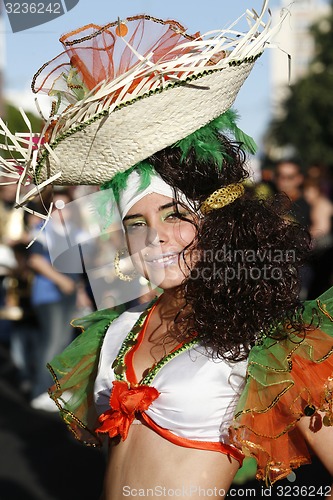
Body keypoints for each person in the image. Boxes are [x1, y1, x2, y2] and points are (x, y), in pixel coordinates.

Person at [0, 6, 332, 499]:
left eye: (176, 216)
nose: (155, 236)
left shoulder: (268, 342)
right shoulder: (120, 325)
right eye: (137, 223)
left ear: (217, 225)